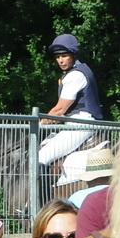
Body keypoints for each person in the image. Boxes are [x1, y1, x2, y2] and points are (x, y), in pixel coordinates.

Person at [38, 34, 106, 165]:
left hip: (81, 125)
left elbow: (59, 110)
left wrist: (39, 123)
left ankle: (40, 186)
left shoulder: (75, 75)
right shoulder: (79, 70)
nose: (60, 61)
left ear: (74, 55)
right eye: (57, 57)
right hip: (74, 123)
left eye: (64, 56)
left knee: (41, 157)